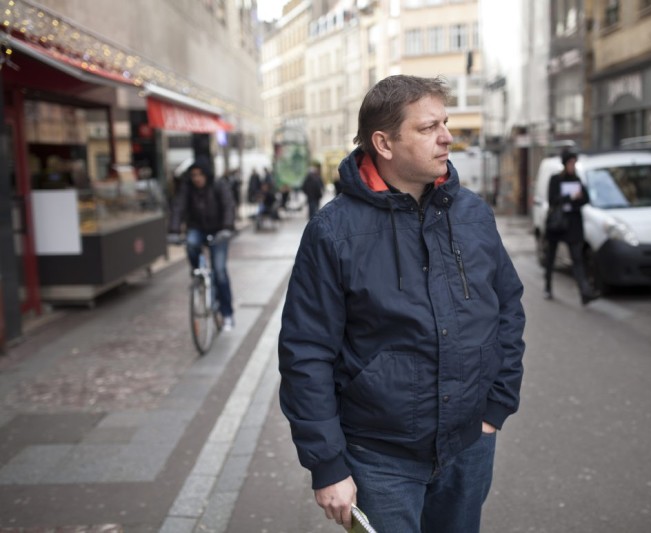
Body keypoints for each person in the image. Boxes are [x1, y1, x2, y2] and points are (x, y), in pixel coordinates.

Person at [278, 75, 526, 532]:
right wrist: (328, 465)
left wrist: (497, 406)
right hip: (380, 458)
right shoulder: (333, 232)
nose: (447, 137)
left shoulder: (472, 214)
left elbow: (507, 307)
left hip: (468, 444)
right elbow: (306, 351)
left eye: (445, 123)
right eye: (429, 127)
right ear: (384, 143)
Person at [167, 161, 237, 331]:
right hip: (197, 228)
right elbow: (178, 207)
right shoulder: (187, 189)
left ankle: (227, 313)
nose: (197, 178)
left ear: (207, 175)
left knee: (220, 272)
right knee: (191, 243)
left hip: (219, 230)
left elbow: (228, 205)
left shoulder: (219, 185)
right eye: (194, 175)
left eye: (200, 175)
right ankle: (197, 272)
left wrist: (227, 228)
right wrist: (174, 230)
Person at [542, 148, 599, 305]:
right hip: (557, 224)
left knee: (577, 259)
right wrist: (569, 197)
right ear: (565, 163)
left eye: (574, 163)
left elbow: (586, 199)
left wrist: (578, 198)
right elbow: (552, 200)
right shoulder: (555, 179)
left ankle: (585, 292)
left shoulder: (577, 179)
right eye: (570, 163)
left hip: (572, 225)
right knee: (551, 257)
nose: (572, 165)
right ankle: (547, 287)